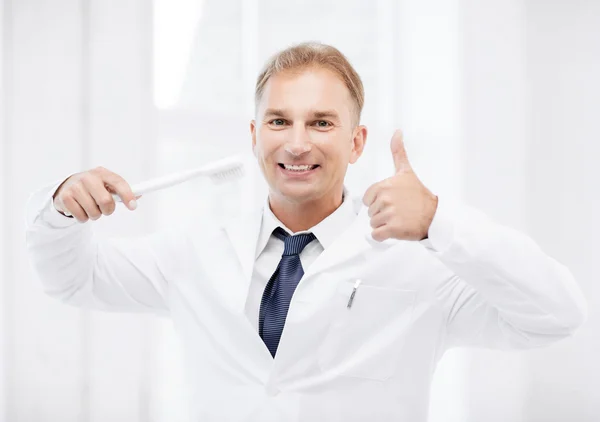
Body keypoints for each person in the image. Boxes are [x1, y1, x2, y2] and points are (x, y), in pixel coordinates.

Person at [25, 42, 587, 422]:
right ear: (254, 134)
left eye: (321, 122)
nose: (297, 143)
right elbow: (73, 280)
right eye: (279, 122)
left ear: (357, 141)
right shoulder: (194, 250)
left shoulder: (422, 264)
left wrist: (441, 219)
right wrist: (63, 210)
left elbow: (555, 314)